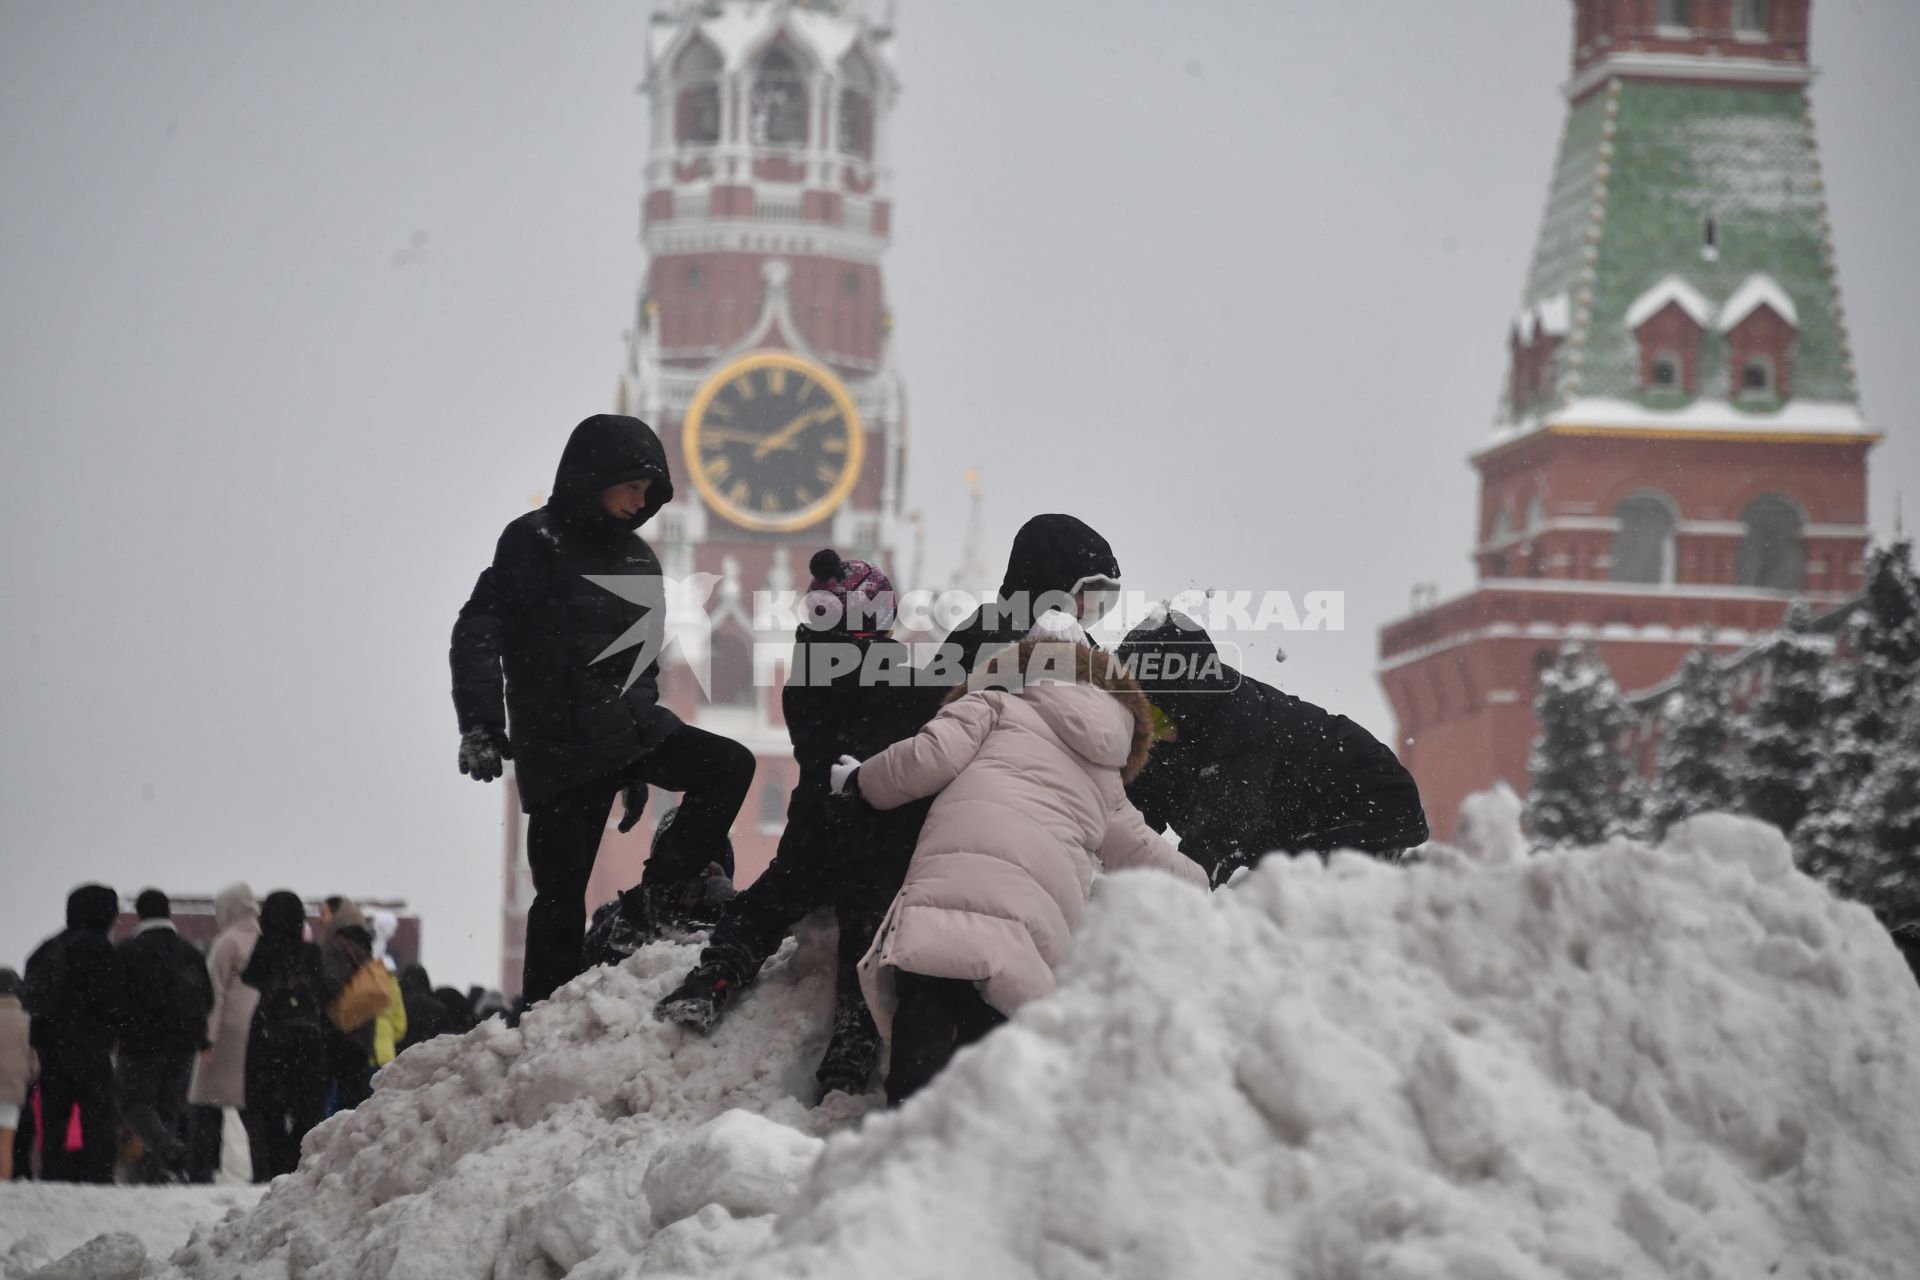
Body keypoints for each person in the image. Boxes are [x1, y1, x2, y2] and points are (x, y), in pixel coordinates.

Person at [451, 413, 754, 1005]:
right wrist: (481, 723)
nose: (640, 503)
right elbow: (478, 629)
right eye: (631, 487)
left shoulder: (640, 559)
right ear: (595, 476)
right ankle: (539, 1020)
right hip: (561, 748)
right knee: (560, 899)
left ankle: (661, 891)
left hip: (629, 736)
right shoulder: (533, 541)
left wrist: (638, 760)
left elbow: (641, 666)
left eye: (650, 493)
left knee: (730, 765)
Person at [841, 625, 1207, 1105]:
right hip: (1032, 939)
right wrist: (1204, 883)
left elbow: (927, 758)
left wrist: (860, 781)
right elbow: (1143, 853)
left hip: (950, 896)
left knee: (923, 1035)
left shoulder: (994, 706)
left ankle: (909, 1122)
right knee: (986, 1075)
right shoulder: (1106, 776)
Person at [654, 549, 920, 1098]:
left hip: (812, 826)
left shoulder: (807, 667)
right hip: (871, 834)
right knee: (865, 933)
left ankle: (716, 975)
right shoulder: (882, 675)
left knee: (764, 905)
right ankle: (853, 1040)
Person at [1116, 609, 1429, 885]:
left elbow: (1214, 847)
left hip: (1366, 800)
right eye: (1138, 716)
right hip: (1298, 820)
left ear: (1187, 700)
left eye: (1157, 717)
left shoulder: (1240, 727)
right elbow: (1133, 821)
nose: (1150, 731)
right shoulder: (1163, 739)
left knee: (1301, 905)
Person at [22, 884, 122, 1182]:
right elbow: (114, 1000)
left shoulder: (45, 949)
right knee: (98, 1117)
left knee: (54, 1117)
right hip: (91, 1046)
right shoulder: (101, 949)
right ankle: (98, 1175)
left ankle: (53, 1172)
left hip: (51, 1045)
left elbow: (32, 999)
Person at [114, 889, 214, 1183]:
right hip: (183, 1045)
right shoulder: (190, 953)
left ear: (140, 914)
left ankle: (166, 1149)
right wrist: (198, 1036)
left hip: (140, 1044)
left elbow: (115, 1000)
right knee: (167, 1106)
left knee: (134, 1103)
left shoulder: (128, 952)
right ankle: (159, 1170)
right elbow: (206, 1000)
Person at [240, 891, 329, 1180]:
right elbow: (323, 990)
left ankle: (272, 1167)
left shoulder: (264, 949)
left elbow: (248, 977)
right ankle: (299, 1163)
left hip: (268, 1037)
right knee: (306, 1106)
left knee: (266, 1107)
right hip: (307, 1039)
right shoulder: (311, 952)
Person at [186, 883, 261, 1183]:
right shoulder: (264, 940)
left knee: (206, 1103)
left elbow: (213, 993)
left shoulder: (226, 942)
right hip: (255, 1032)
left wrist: (207, 1037)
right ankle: (264, 1171)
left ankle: (201, 1171)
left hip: (226, 1034)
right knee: (251, 1107)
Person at [0, 968, 34, 1182]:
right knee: (6, 1142)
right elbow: (34, 1060)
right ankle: (3, 1183)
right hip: (13, 1090)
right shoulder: (27, 1021)